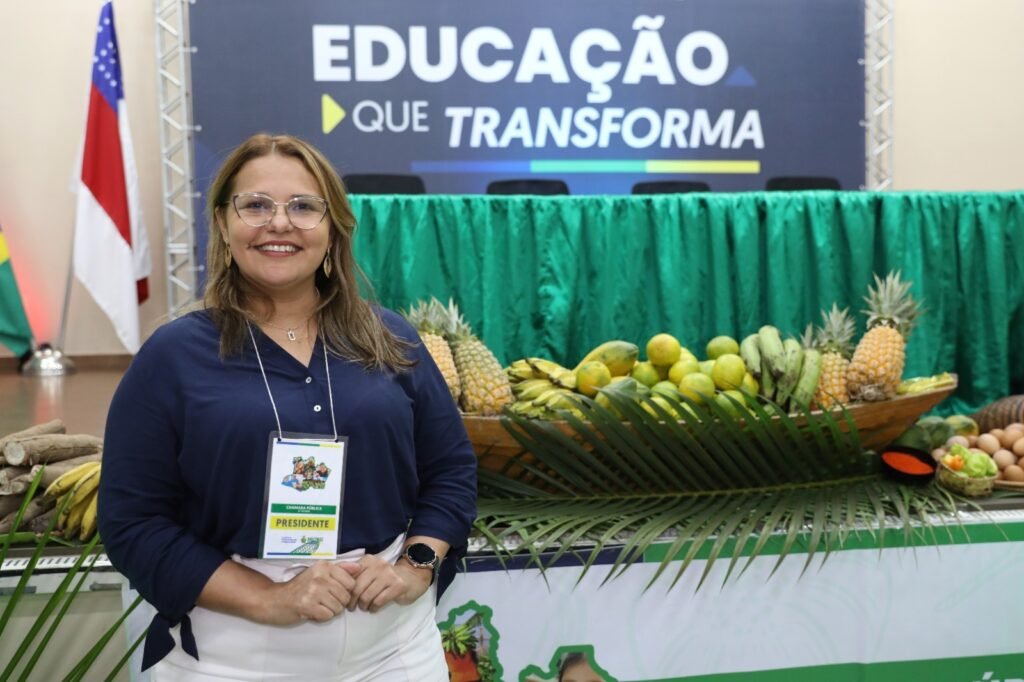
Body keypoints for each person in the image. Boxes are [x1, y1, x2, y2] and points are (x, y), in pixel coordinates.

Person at [98, 133, 477, 680]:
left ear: (333, 227)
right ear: (223, 224)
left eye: (303, 206)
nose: (279, 223)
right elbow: (133, 520)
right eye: (256, 205)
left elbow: (451, 470)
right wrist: (269, 598)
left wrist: (416, 565)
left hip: (396, 651)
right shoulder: (172, 356)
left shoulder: (390, 337)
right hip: (236, 658)